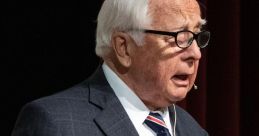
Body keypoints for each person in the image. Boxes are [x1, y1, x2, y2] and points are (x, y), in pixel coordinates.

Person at [12, 0, 210, 135]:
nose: (196, 53)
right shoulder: (55, 123)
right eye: (179, 37)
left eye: (195, 36)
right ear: (124, 47)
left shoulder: (192, 130)